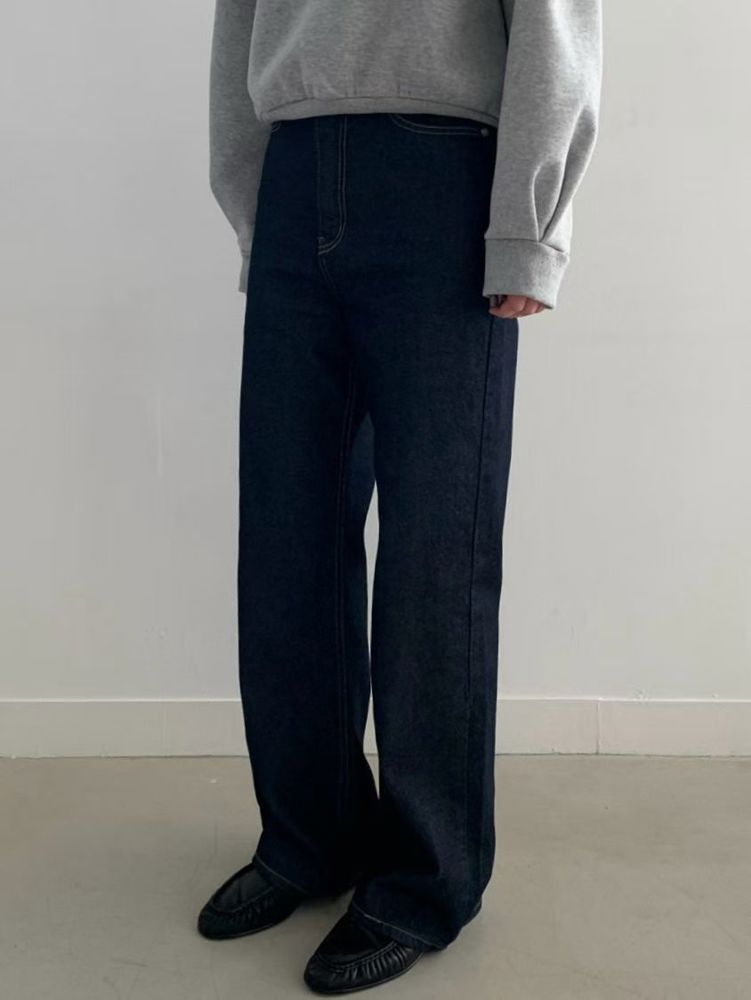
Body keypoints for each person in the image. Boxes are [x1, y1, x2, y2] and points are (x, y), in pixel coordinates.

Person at [198, 0, 602, 993]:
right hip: (295, 170)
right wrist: (256, 202)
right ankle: (310, 836)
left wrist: (525, 230)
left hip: (444, 177)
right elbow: (239, 23)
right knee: (286, 539)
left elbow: (552, 25)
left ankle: (426, 880)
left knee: (435, 554)